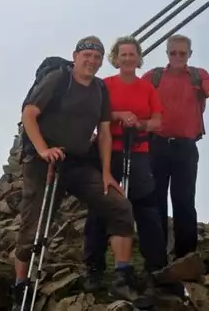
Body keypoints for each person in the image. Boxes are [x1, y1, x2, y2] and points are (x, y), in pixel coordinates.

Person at [13, 36, 143, 310]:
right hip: (44, 162)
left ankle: (122, 276)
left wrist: (107, 173)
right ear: (75, 56)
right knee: (33, 224)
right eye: (87, 56)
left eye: (97, 57)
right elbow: (29, 114)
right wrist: (43, 150)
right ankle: (20, 285)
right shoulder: (59, 79)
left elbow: (105, 132)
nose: (92, 62)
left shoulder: (99, 89)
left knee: (119, 206)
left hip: (78, 161)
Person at [82, 36, 169, 292]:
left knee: (145, 208)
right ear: (116, 58)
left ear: (139, 58)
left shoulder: (147, 88)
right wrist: (119, 116)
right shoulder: (105, 85)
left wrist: (140, 124)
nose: (128, 59)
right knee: (101, 206)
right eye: (124, 55)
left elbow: (157, 121)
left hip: (139, 151)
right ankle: (94, 267)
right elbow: (97, 113)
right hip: (109, 151)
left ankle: (155, 265)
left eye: (132, 54)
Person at [142, 34, 209, 259]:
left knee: (184, 199)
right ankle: (155, 255)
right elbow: (137, 98)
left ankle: (186, 255)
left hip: (185, 147)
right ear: (167, 53)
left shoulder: (198, 75)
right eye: (173, 53)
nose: (178, 57)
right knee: (155, 198)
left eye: (182, 53)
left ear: (190, 54)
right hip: (156, 144)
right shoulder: (154, 76)